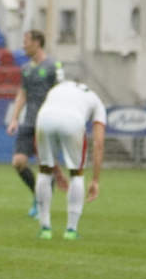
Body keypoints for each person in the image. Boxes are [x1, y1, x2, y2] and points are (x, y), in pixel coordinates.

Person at [33, 80, 106, 240]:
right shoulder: (96, 100)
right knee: (76, 173)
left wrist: (57, 173)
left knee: (44, 170)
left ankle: (45, 229)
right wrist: (95, 180)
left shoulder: (57, 88)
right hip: (73, 121)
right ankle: (71, 231)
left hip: (44, 118)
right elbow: (98, 143)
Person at [6, 29, 63, 217]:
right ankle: (37, 197)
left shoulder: (54, 66)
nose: (23, 45)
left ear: (37, 42)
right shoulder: (26, 69)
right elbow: (23, 93)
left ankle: (42, 203)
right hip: (29, 122)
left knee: (45, 166)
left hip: (48, 123)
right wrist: (14, 118)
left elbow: (62, 93)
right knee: (18, 162)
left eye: (26, 41)